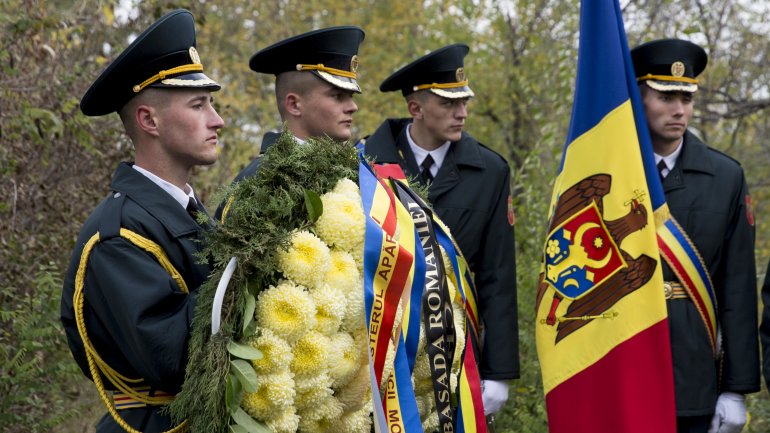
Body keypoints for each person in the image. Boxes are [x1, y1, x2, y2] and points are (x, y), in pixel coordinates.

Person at [60, 9, 224, 433]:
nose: (217, 119)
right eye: (199, 104)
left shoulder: (183, 209)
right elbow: (174, 358)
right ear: (148, 120)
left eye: (213, 103)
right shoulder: (119, 234)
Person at [363, 44, 520, 419]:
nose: (462, 113)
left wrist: (499, 373)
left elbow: (498, 274)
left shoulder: (490, 171)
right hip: (387, 348)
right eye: (449, 103)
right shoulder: (367, 163)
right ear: (415, 108)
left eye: (463, 101)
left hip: (460, 353)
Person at [631, 38, 759, 433]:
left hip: (695, 366)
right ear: (639, 96)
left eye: (686, 97)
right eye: (666, 96)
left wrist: (736, 389)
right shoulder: (609, 174)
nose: (679, 109)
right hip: (624, 359)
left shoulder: (725, 176)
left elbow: (737, 286)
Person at [216, 26, 364, 220]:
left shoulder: (358, 174)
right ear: (294, 104)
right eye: (337, 96)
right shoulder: (258, 184)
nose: (352, 106)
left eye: (351, 96)